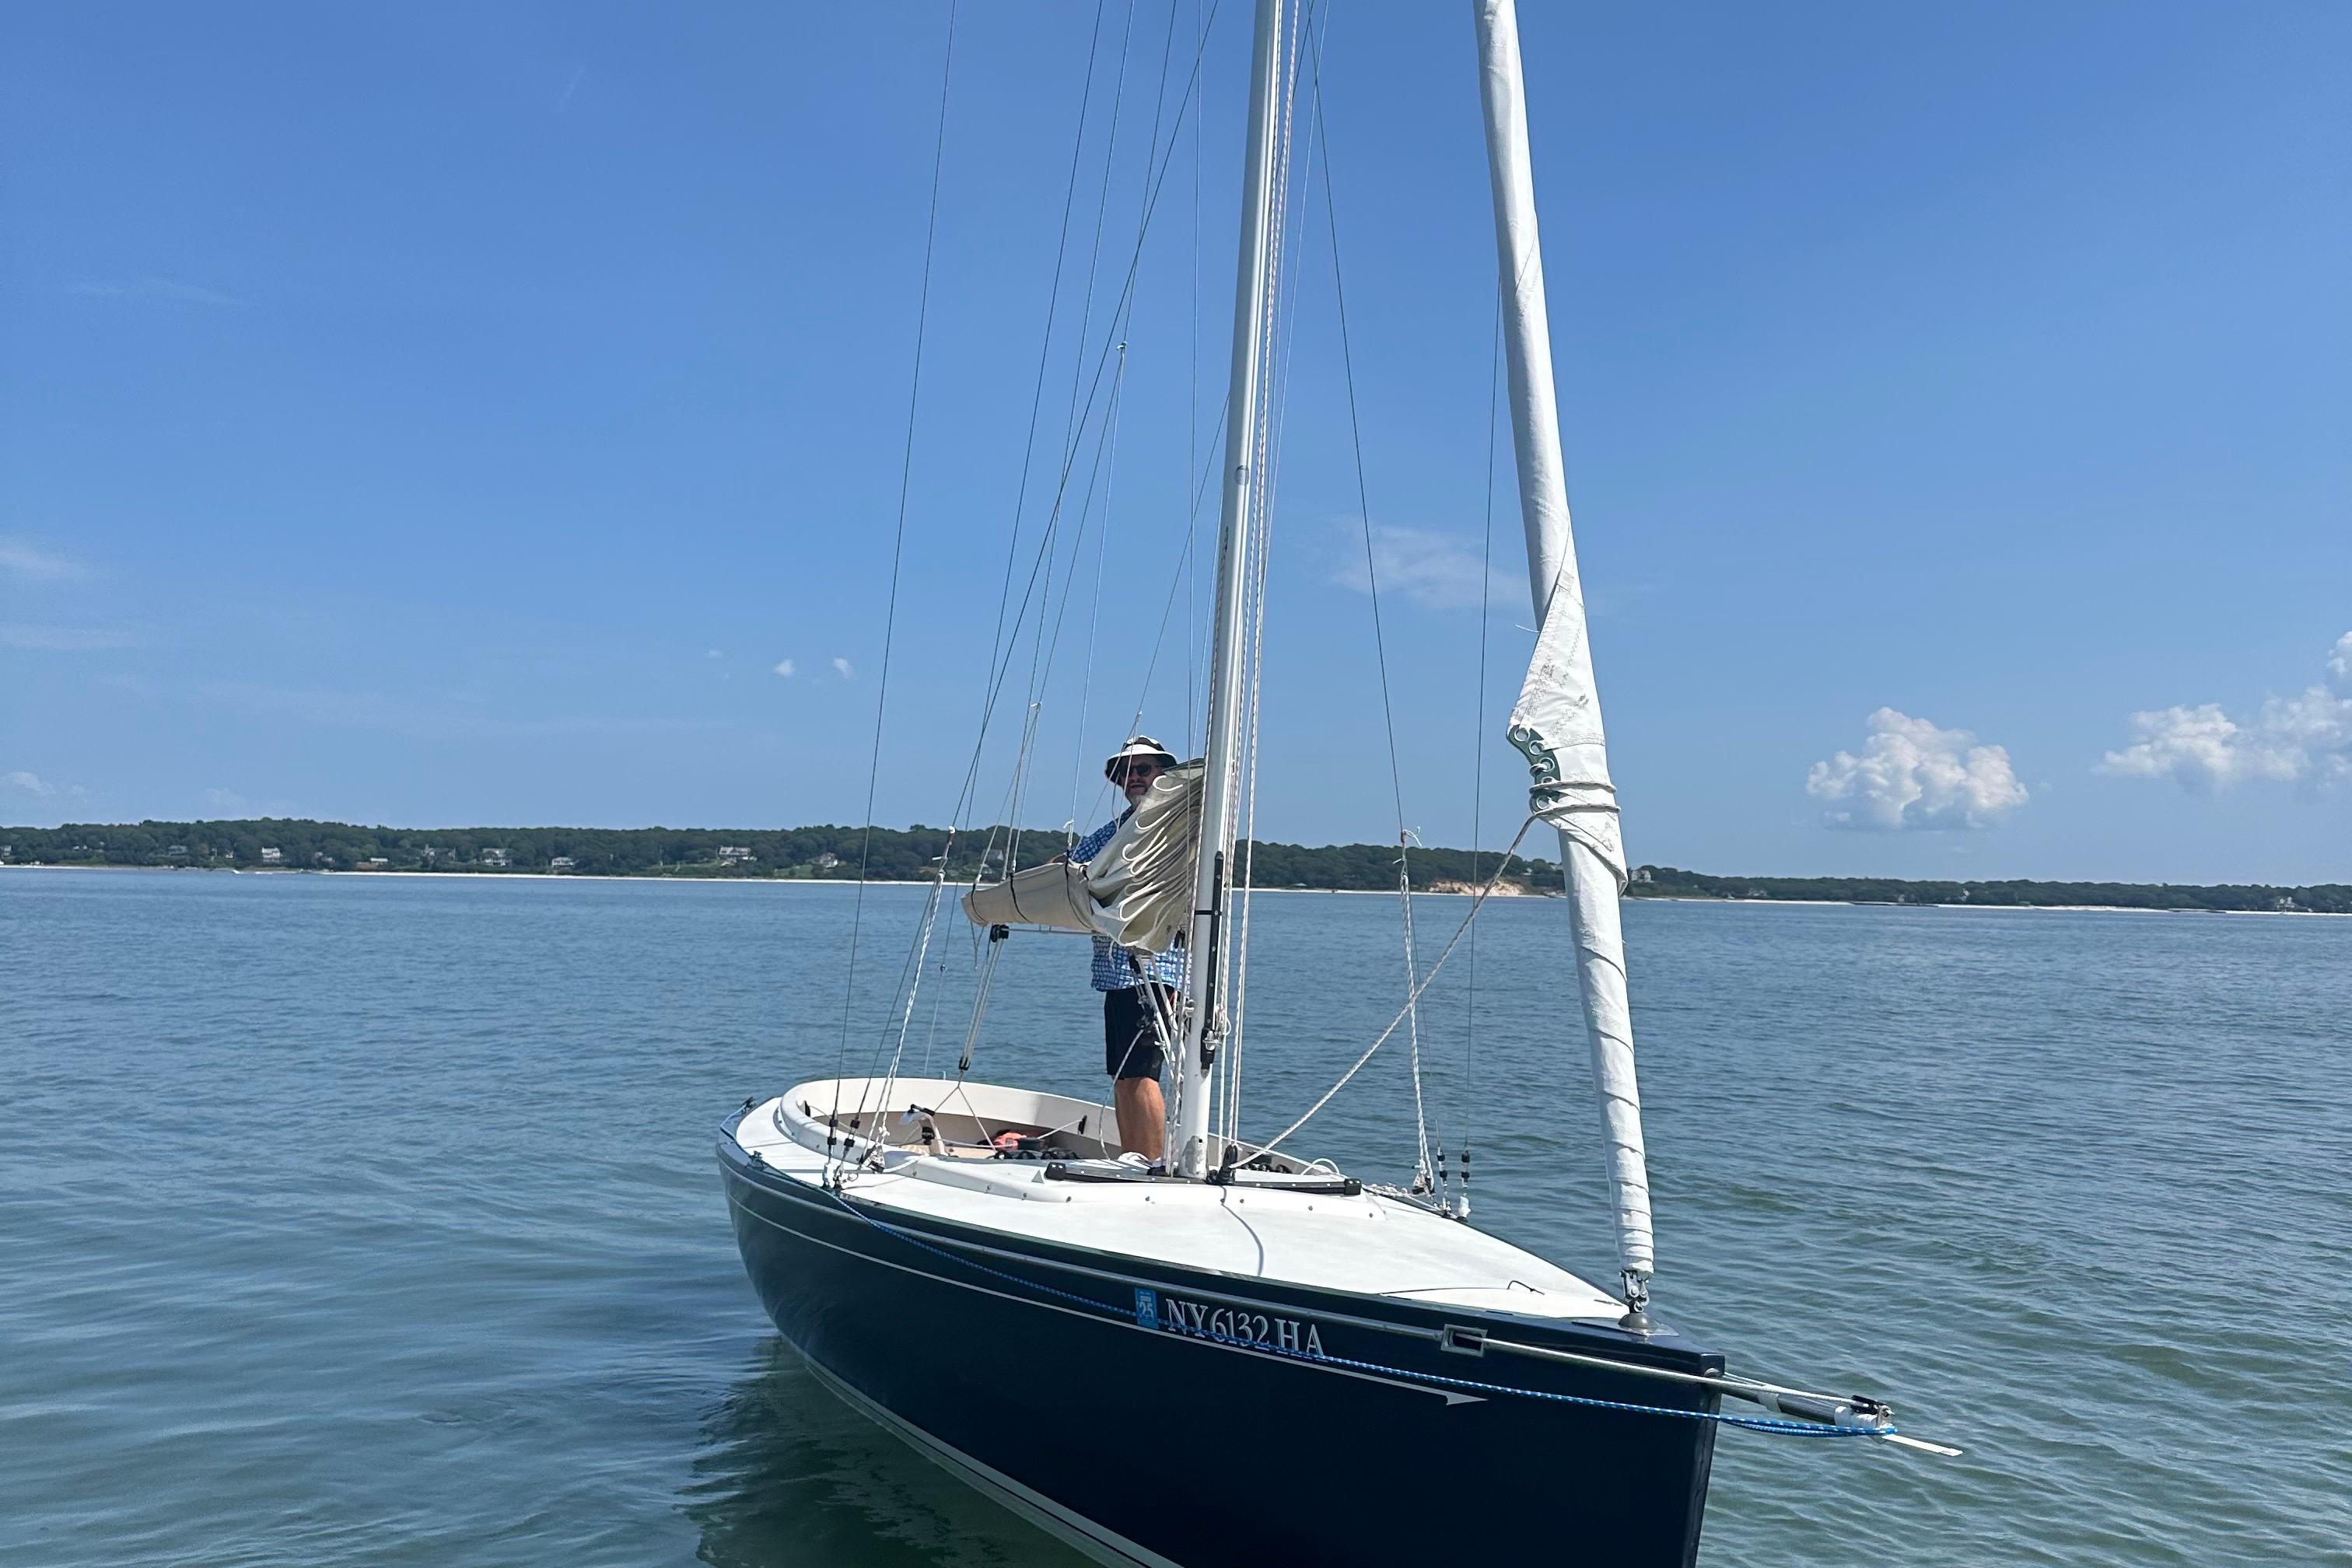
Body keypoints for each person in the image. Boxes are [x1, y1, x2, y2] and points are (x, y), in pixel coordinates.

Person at [1066, 735, 1186, 1167]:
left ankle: (1150, 1163)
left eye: (1145, 769)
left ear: (1163, 774)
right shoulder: (1113, 833)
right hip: (1118, 971)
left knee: (1141, 1072)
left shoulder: (1178, 826)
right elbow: (1069, 868)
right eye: (1127, 772)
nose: (1135, 778)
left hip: (1155, 968)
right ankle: (1132, 1159)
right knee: (1124, 1074)